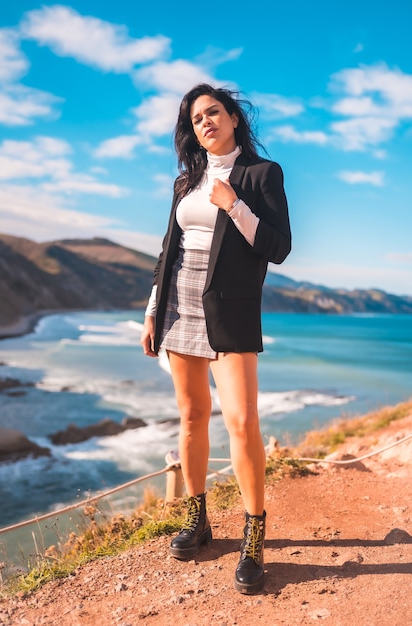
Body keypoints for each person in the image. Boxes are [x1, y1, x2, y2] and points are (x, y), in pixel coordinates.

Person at [141, 83, 291, 595]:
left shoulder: (261, 174)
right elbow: (169, 251)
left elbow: (279, 248)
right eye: (195, 118)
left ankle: (253, 535)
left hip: (230, 310)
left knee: (244, 423)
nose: (204, 122)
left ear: (232, 118)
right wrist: (151, 310)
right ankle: (198, 519)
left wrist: (234, 206)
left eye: (213, 113)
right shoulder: (186, 182)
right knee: (191, 416)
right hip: (179, 304)